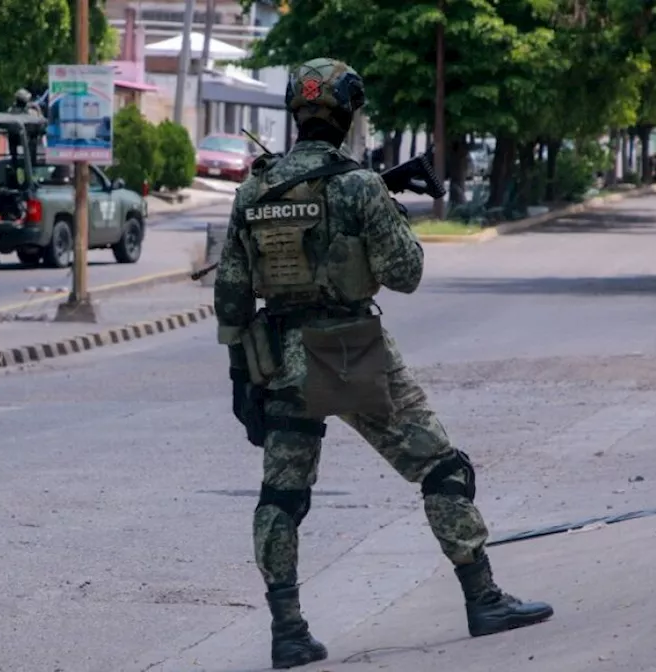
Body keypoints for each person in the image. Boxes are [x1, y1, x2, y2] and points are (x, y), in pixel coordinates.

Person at [212, 58, 554, 669]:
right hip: (357, 355)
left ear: (295, 113)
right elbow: (406, 275)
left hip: (284, 360)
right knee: (442, 469)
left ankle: (288, 632)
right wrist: (389, 213)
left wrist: (245, 380)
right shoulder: (359, 184)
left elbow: (232, 300)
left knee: (281, 497)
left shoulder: (253, 189)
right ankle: (483, 598)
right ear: (347, 113)